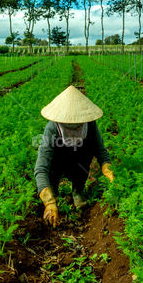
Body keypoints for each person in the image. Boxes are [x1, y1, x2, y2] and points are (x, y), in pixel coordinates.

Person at [34, 85, 115, 227]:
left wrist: (107, 169)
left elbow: (100, 149)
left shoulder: (90, 125)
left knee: (82, 166)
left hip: (80, 162)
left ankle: (78, 191)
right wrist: (49, 202)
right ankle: (54, 197)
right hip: (57, 162)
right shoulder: (52, 128)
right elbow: (41, 168)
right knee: (52, 181)